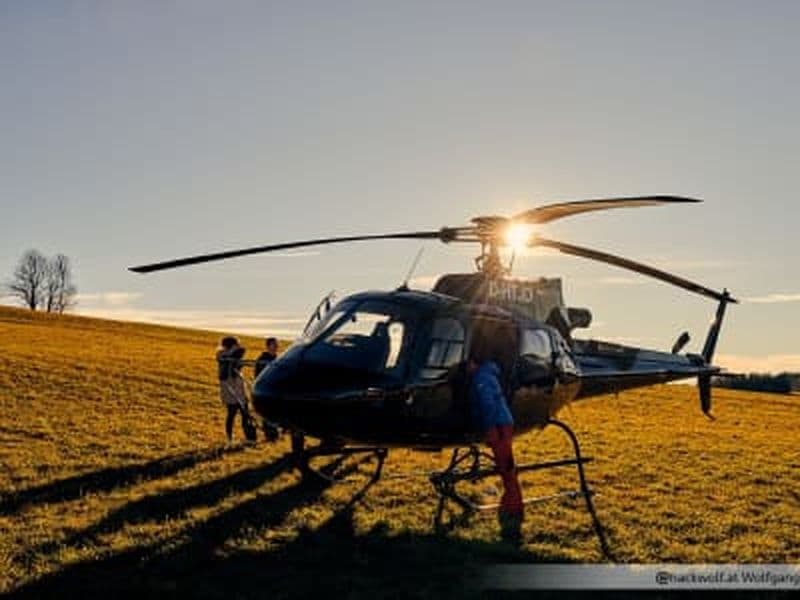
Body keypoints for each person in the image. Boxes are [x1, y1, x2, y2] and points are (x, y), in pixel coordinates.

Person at [468, 348, 524, 536]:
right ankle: (512, 503)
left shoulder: (481, 378)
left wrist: (491, 428)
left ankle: (513, 507)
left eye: (468, 365)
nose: (467, 368)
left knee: (506, 466)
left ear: (473, 363)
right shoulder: (489, 374)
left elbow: (488, 404)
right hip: (503, 422)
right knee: (506, 465)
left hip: (499, 425)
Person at [217, 336, 254, 445]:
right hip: (229, 389)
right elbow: (225, 358)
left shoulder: (235, 356)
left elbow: (241, 359)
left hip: (239, 387)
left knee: (245, 414)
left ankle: (249, 437)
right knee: (231, 413)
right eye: (236, 344)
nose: (238, 346)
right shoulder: (222, 355)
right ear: (231, 345)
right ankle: (229, 437)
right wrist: (234, 352)